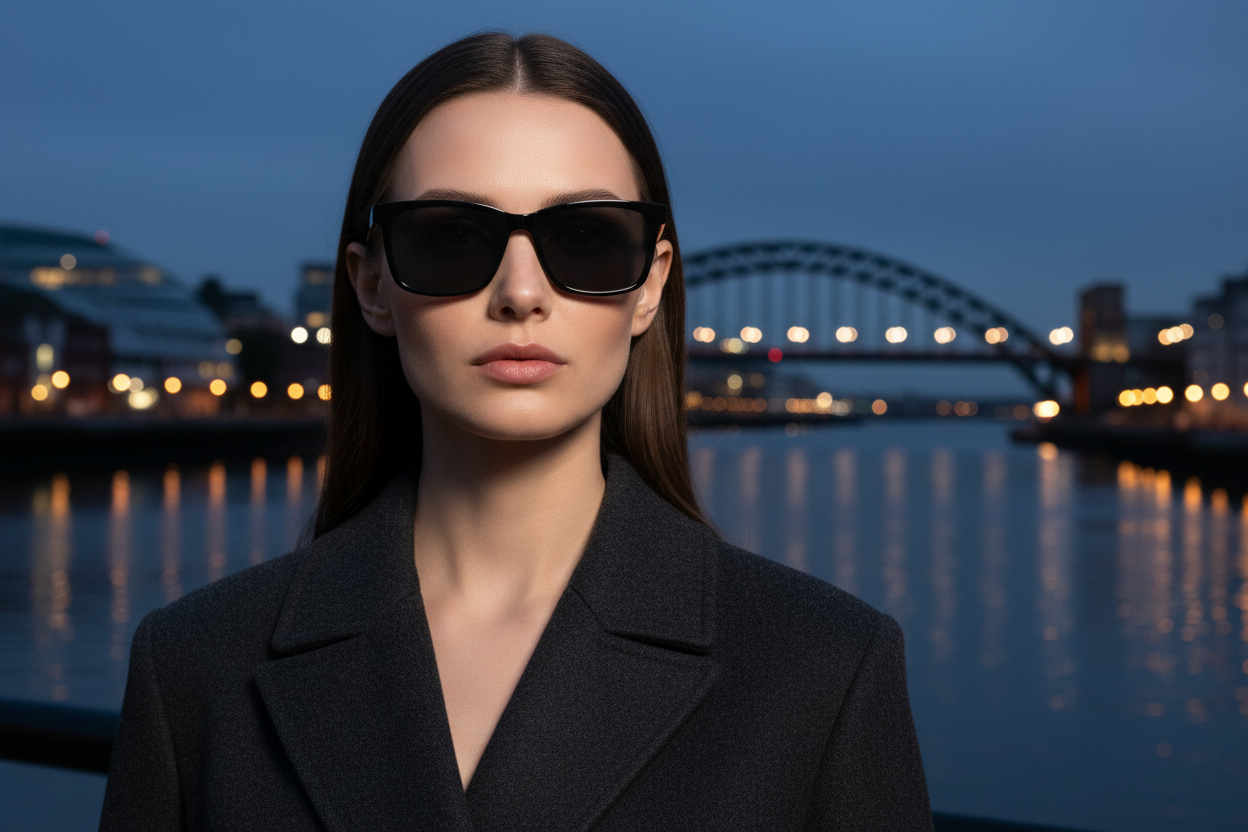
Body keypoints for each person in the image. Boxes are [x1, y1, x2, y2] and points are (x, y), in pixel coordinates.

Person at [100, 32, 932, 831]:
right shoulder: (196, 665)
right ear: (372, 286)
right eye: (452, 238)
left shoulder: (824, 666)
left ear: (650, 286)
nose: (521, 293)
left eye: (586, 239)